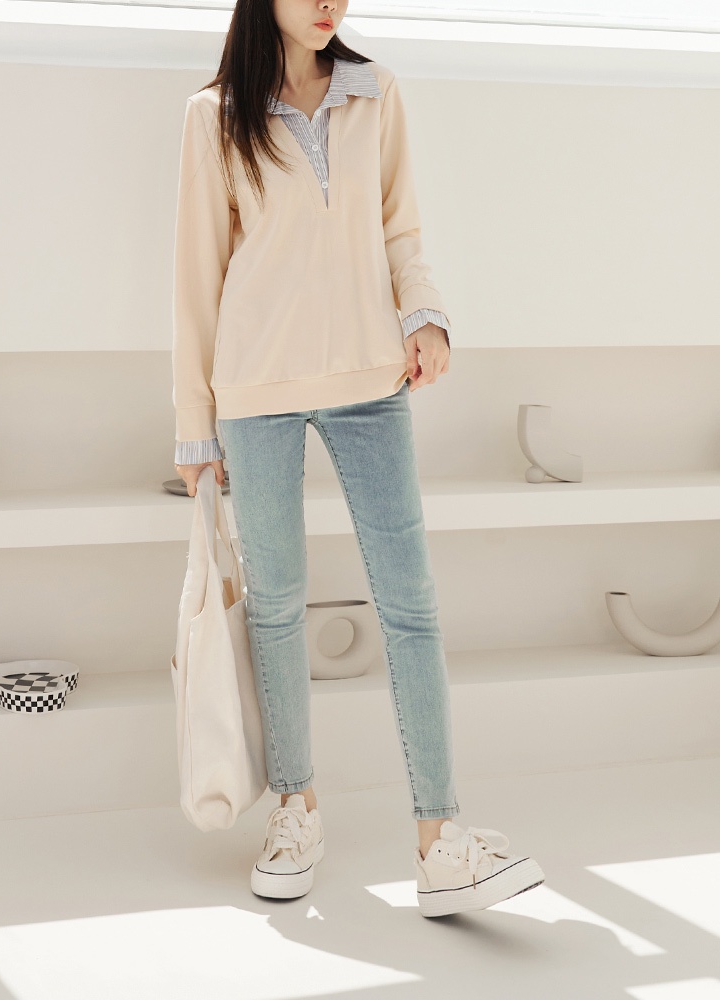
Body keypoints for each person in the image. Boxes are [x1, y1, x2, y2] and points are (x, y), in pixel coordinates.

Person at [171, 0, 545, 917]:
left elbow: (399, 230)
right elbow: (196, 276)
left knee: (411, 605)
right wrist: (195, 426)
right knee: (277, 609)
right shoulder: (214, 115)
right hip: (256, 388)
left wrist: (425, 315)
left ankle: (441, 842)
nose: (327, 1)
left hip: (373, 378)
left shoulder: (377, 93)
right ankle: (295, 811)